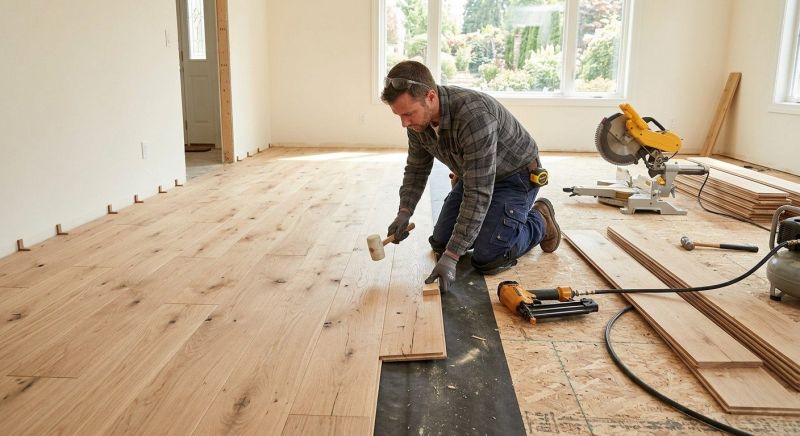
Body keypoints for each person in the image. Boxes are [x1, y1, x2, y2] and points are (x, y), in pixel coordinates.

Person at [381, 60, 561, 293]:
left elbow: (478, 194)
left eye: (408, 114)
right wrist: (404, 212)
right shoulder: (417, 123)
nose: (404, 123)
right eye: (399, 115)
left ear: (431, 97)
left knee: (489, 257)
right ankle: (495, 223)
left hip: (513, 177)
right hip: (475, 174)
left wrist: (453, 256)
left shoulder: (474, 116)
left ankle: (540, 220)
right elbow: (416, 168)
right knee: (440, 243)